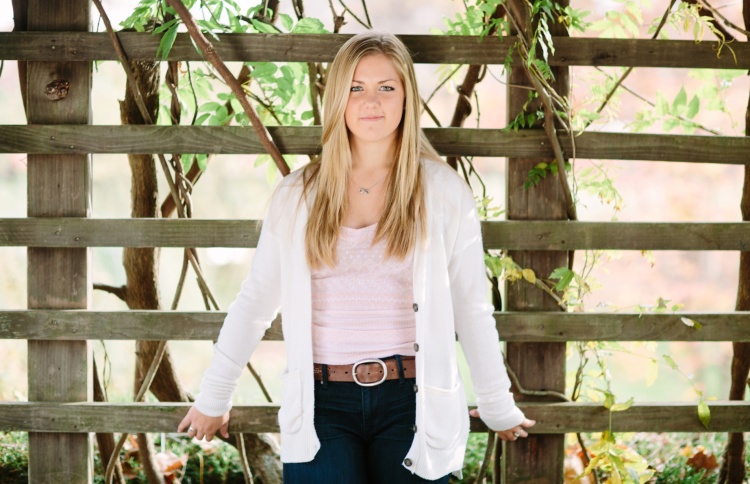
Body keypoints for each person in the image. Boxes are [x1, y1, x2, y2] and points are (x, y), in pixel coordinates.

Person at [178, 31, 535, 483]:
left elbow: (471, 304)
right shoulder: (298, 195)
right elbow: (255, 302)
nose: (372, 101)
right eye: (356, 88)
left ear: (406, 97)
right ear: (337, 99)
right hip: (321, 404)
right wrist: (215, 395)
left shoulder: (442, 190)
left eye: (387, 87)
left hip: (414, 402)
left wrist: (497, 402)